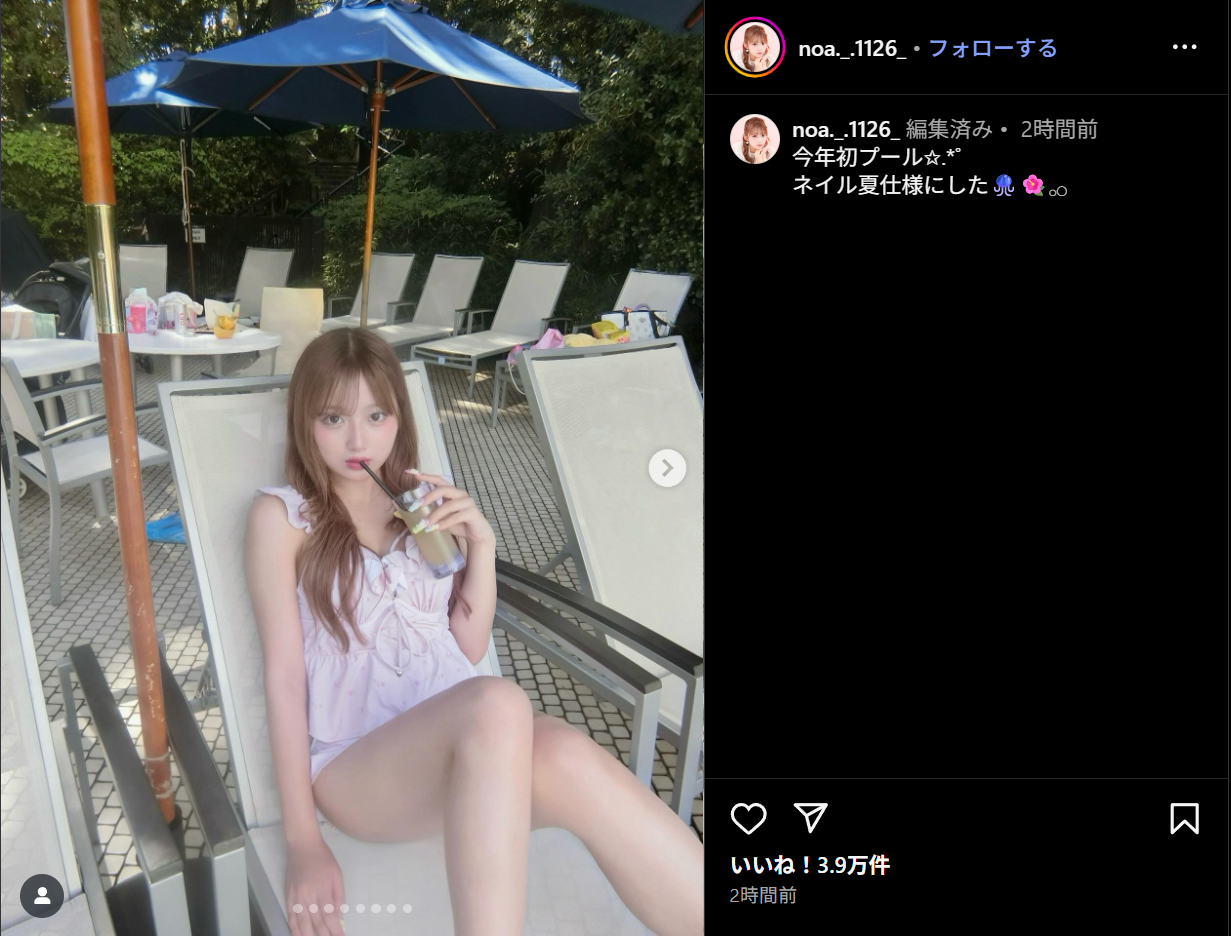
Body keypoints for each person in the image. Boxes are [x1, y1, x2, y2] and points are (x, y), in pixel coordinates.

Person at [245, 328, 703, 936]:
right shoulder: (283, 518)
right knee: (499, 701)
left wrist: (480, 546)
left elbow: (464, 645)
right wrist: (303, 842)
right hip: (356, 768)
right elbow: (282, 679)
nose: (359, 440)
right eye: (334, 418)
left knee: (565, 752)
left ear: (398, 418)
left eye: (376, 416)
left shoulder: (419, 502)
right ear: (304, 422)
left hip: (464, 748)